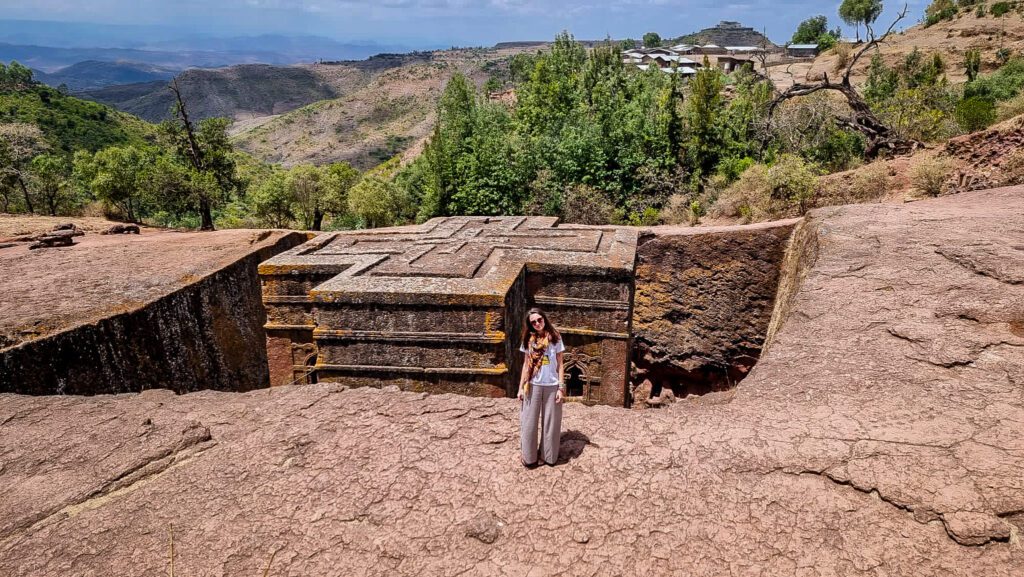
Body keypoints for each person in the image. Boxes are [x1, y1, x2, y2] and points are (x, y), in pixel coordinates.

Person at [518, 307, 565, 468]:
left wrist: (561, 387)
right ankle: (529, 457)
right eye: (533, 322)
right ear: (530, 325)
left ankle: (548, 456)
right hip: (532, 385)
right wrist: (520, 388)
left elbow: (560, 364)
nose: (537, 323)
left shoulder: (555, 338)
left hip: (552, 386)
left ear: (544, 319)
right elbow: (525, 365)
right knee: (529, 422)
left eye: (540, 320)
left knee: (551, 424)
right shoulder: (528, 340)